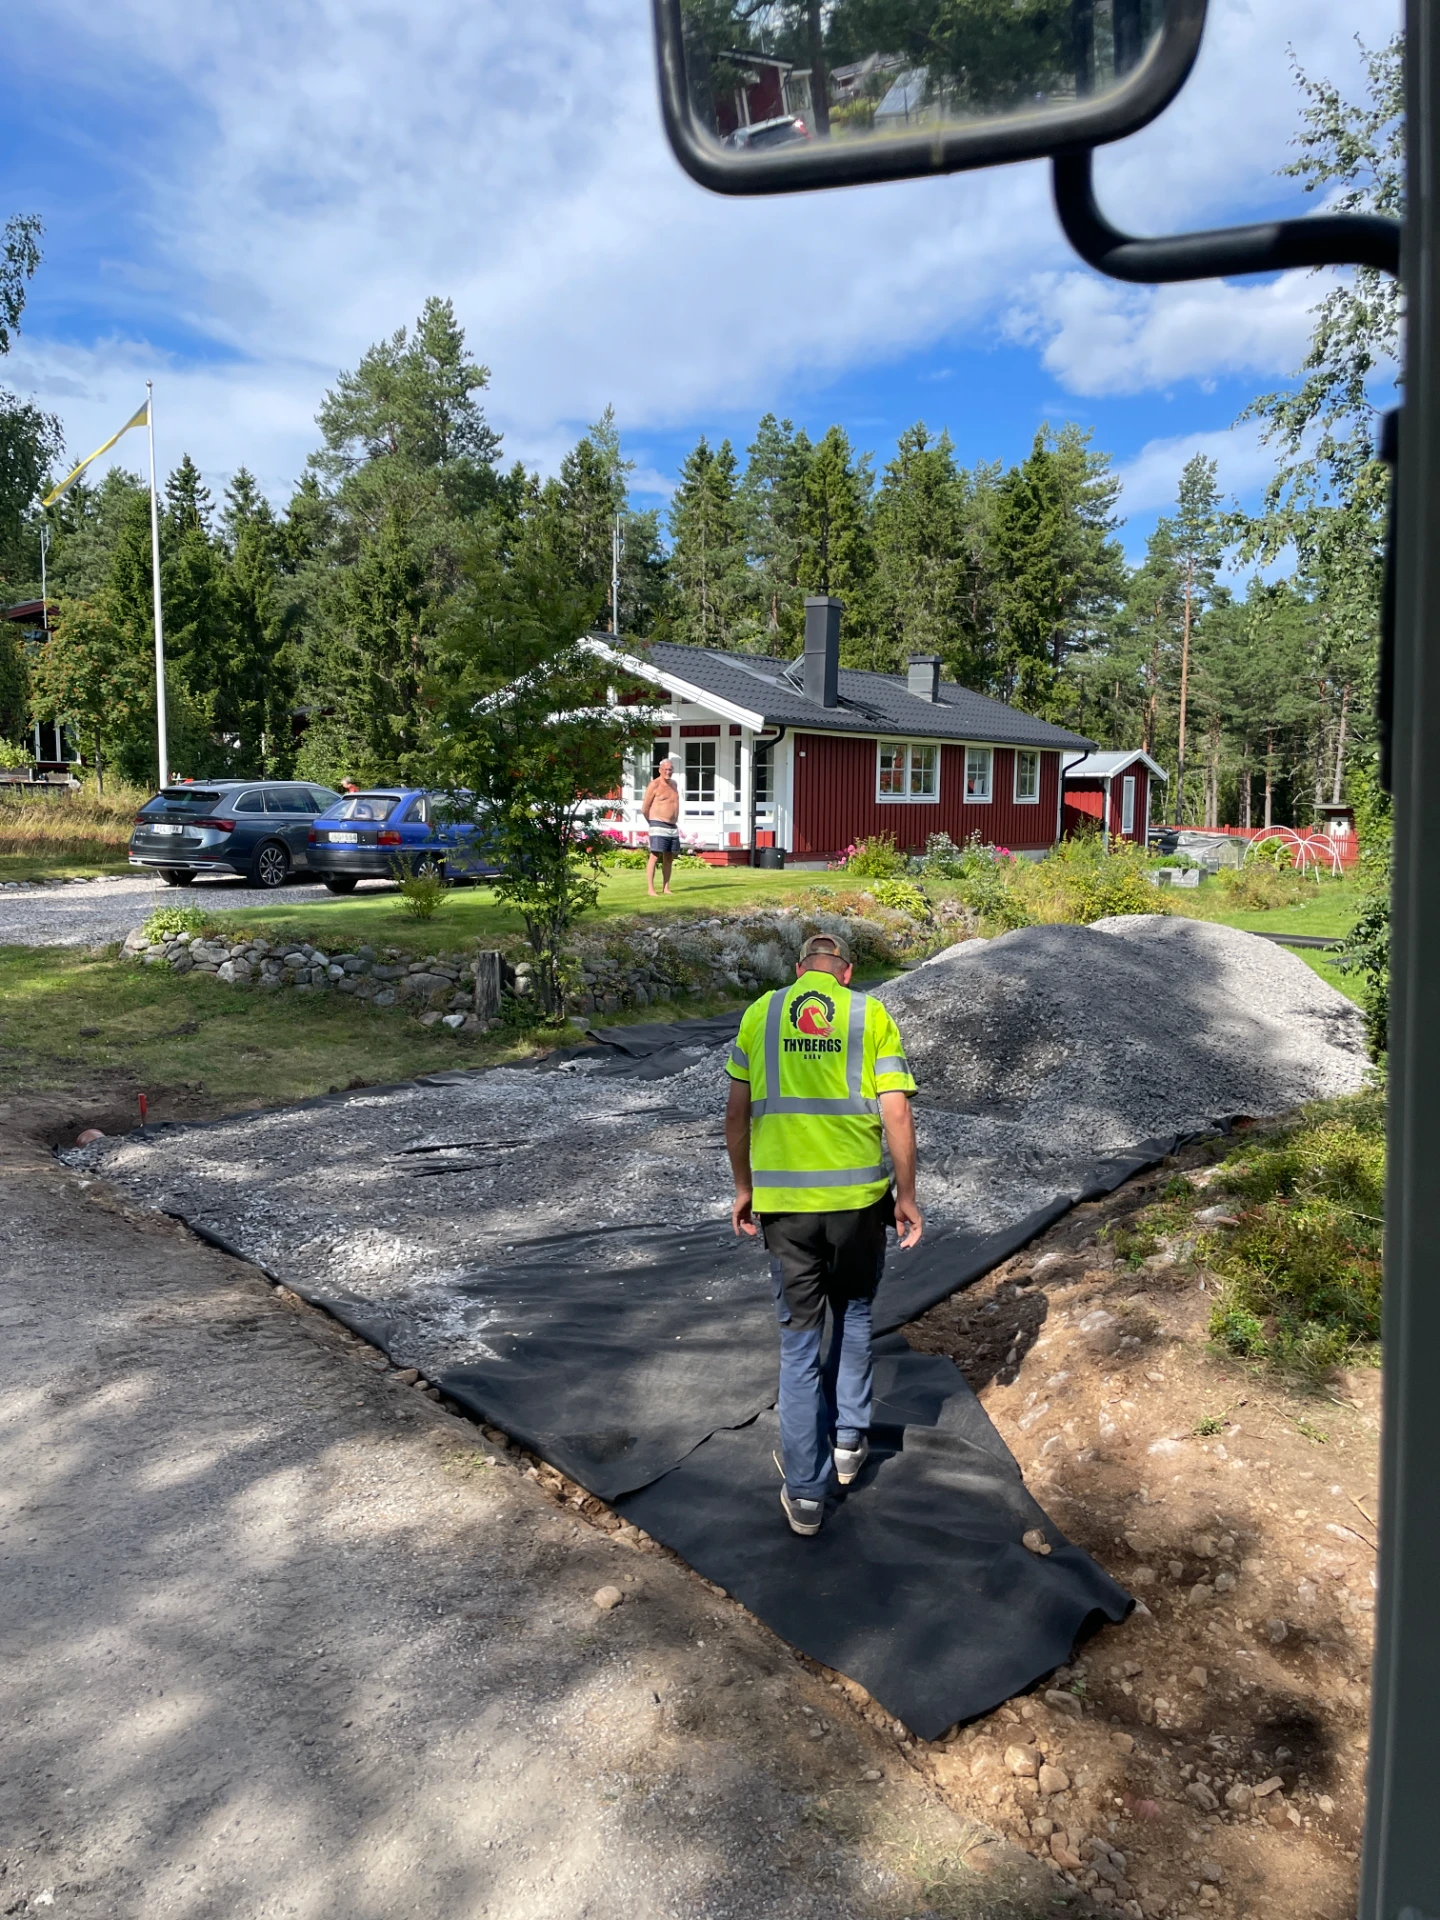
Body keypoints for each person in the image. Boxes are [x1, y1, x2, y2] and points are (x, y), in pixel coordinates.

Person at [724, 931, 922, 1536]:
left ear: (798, 969)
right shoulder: (869, 1013)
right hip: (858, 1204)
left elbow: (736, 1114)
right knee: (855, 1314)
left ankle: (806, 1496)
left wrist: (743, 1187)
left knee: (799, 1344)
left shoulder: (762, 1014)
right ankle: (849, 1443)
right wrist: (906, 1196)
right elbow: (897, 1111)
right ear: (846, 972)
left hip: (786, 1209)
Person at [641, 756, 681, 896]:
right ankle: (651, 889)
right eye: (665, 769)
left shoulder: (674, 784)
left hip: (672, 825)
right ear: (660, 770)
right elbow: (645, 808)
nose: (668, 772)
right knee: (655, 856)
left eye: (670, 769)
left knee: (669, 857)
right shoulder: (654, 785)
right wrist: (652, 822)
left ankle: (666, 888)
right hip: (657, 823)